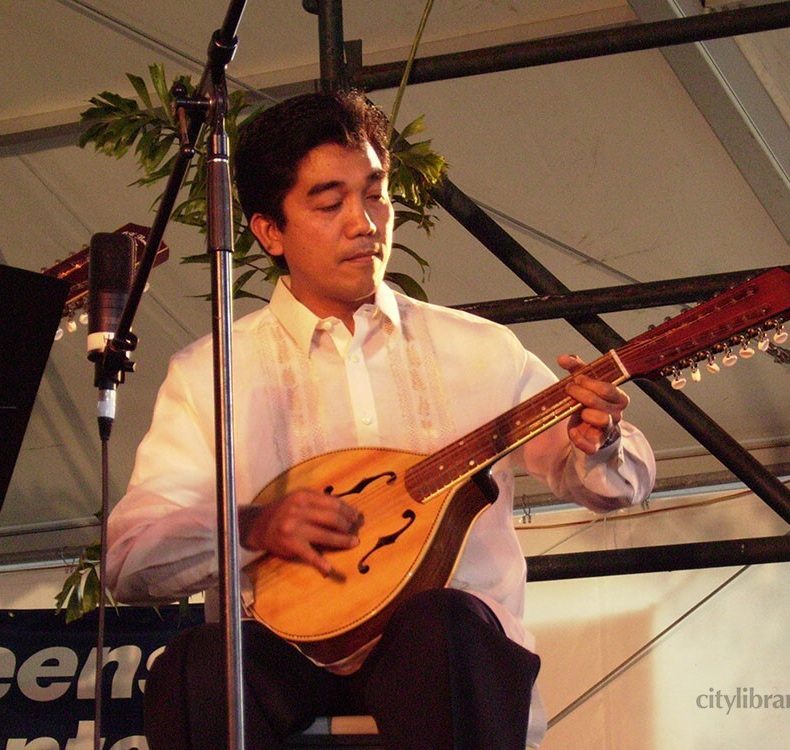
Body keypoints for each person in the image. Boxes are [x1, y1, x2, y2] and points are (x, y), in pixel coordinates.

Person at [106, 89, 655, 750]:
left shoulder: (479, 350)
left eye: (375, 194)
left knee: (442, 627)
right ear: (269, 231)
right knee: (196, 664)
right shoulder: (212, 374)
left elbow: (614, 484)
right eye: (329, 203)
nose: (363, 223)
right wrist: (254, 527)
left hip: (447, 658)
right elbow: (130, 559)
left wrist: (600, 440)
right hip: (287, 649)